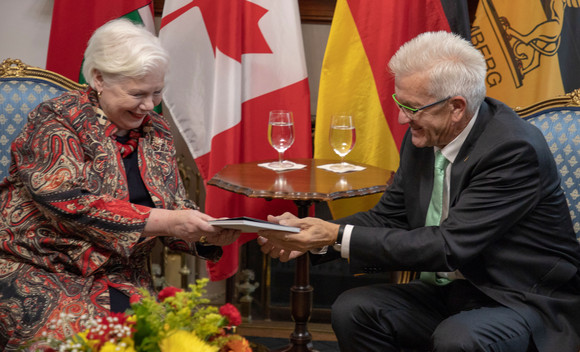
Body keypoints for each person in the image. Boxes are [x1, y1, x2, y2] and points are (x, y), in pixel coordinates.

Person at [257, 31, 580, 352]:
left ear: (456, 106)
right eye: (400, 102)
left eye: (412, 107)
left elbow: (449, 246)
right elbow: (390, 217)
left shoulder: (511, 149)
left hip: (521, 299)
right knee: (356, 309)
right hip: (453, 292)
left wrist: (333, 234)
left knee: (459, 338)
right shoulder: (426, 136)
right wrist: (311, 241)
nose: (401, 118)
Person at [0, 19, 240, 350]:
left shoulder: (155, 129)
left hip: (123, 274)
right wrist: (169, 222)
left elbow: (172, 205)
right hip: (40, 266)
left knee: (169, 340)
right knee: (89, 341)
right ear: (98, 78)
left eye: (157, 92)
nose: (149, 106)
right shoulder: (56, 120)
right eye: (137, 93)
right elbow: (70, 203)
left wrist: (203, 231)